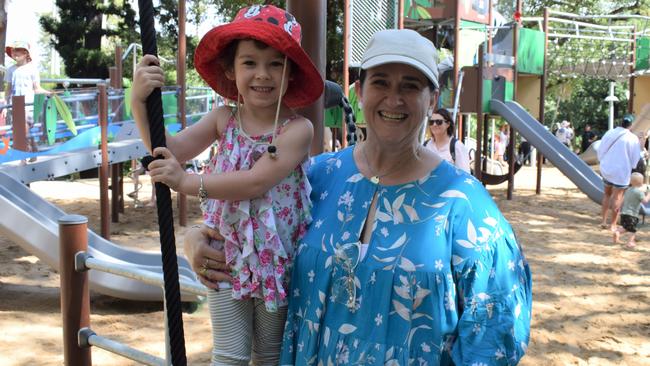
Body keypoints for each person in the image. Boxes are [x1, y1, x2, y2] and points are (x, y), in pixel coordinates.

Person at [186, 28, 532, 365]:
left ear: (433, 99)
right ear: (359, 92)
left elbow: (493, 340)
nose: (394, 99)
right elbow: (250, 220)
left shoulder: (466, 207)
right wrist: (194, 237)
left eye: (410, 86)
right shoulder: (316, 176)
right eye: (380, 82)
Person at [132, 5, 323, 364]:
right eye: (250, 62)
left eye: (276, 64)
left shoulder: (297, 130)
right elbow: (170, 148)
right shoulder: (224, 119)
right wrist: (138, 100)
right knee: (229, 355)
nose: (262, 75)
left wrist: (186, 181)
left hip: (276, 261)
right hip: (226, 253)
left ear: (290, 74)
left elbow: (255, 182)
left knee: (268, 355)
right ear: (230, 70)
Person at [2, 40, 50, 160]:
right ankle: (33, 149)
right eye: (13, 51)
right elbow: (8, 89)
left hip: (29, 105)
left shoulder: (32, 69)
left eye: (18, 50)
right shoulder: (11, 70)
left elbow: (37, 88)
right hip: (15, 105)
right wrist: (5, 105)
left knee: (22, 131)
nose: (15, 53)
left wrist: (48, 93)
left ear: (25, 53)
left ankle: (22, 158)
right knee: (21, 131)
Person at [597, 114, 642, 231]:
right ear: (631, 125)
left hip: (607, 168)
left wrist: (602, 161)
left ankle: (603, 221)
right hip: (621, 171)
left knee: (607, 194)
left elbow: (600, 149)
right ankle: (613, 224)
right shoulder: (632, 138)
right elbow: (635, 158)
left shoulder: (610, 133)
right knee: (617, 197)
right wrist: (632, 166)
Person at [423, 108, 470, 173]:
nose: (434, 125)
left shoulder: (457, 146)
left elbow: (465, 176)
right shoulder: (426, 145)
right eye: (431, 122)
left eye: (438, 122)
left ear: (448, 124)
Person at [613, 172, 649, 249]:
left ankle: (617, 232)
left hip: (624, 213)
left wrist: (618, 207)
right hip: (632, 214)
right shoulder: (639, 193)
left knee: (626, 227)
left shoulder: (628, 190)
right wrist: (649, 194)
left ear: (630, 181)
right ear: (641, 183)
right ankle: (630, 242)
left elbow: (622, 199)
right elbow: (645, 201)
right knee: (632, 230)